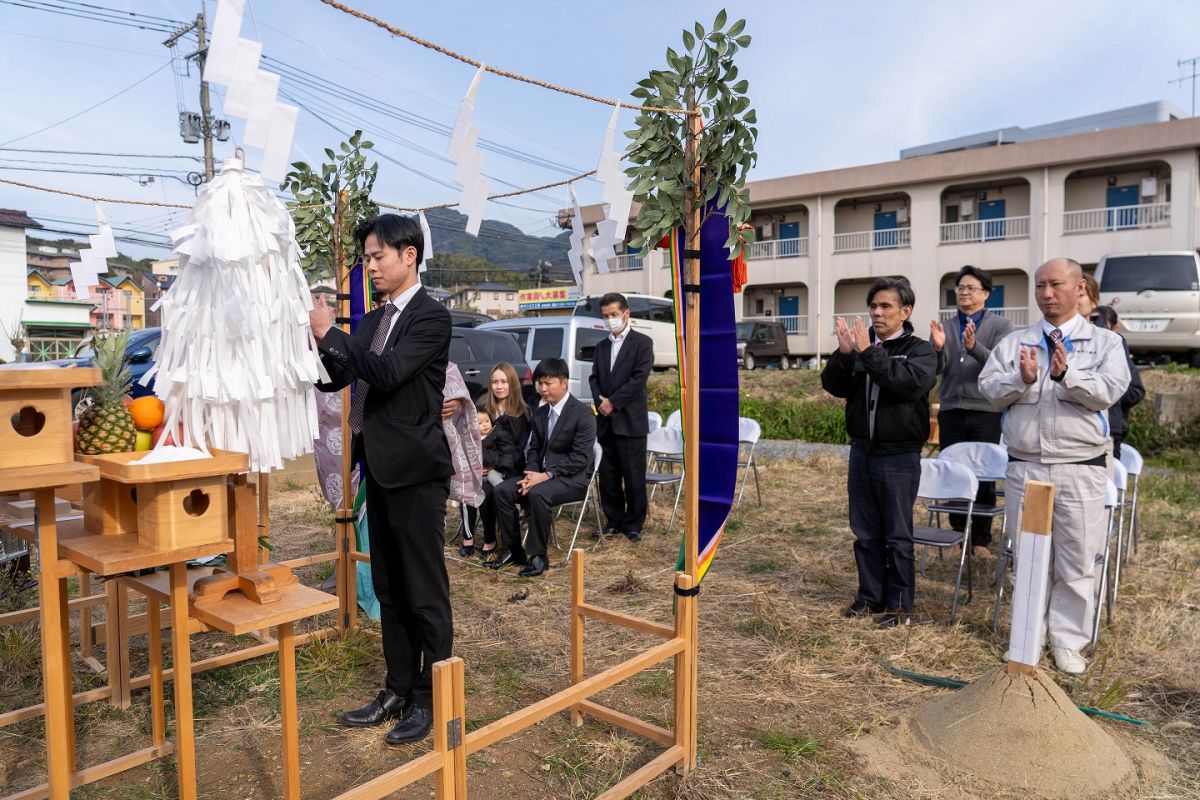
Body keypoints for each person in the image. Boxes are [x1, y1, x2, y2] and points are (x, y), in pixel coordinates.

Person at [309, 213, 453, 745]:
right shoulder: (369, 322)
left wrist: (333, 335)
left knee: (424, 591)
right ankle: (397, 687)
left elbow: (389, 373)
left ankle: (432, 698)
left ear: (409, 255)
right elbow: (343, 375)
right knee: (390, 589)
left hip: (416, 473)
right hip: (379, 469)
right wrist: (319, 344)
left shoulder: (432, 318)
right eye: (366, 258)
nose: (370, 266)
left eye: (377, 257)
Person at [979, 258, 1131, 675]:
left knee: (1077, 558)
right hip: (1026, 466)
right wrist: (1020, 380)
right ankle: (1028, 637)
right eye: (1040, 286)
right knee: (1026, 556)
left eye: (1056, 285)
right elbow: (989, 387)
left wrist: (1066, 374)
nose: (1046, 294)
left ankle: (1067, 641)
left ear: (1079, 287)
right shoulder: (1016, 341)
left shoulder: (1104, 343)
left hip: (1080, 468)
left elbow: (1109, 390)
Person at [821, 277, 937, 628]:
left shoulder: (919, 350)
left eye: (886, 306)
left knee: (897, 535)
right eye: (873, 306)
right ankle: (869, 598)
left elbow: (908, 384)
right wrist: (844, 356)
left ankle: (900, 606)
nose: (877, 312)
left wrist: (868, 353)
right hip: (862, 452)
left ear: (906, 311)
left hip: (899, 456)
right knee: (866, 531)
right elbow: (834, 386)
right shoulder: (860, 347)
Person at [929, 266, 1014, 560]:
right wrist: (938, 349)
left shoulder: (1001, 327)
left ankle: (981, 540)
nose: (964, 293)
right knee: (954, 473)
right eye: (960, 288)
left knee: (984, 474)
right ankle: (955, 535)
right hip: (951, 408)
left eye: (970, 288)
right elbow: (937, 370)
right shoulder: (947, 326)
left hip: (986, 410)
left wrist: (973, 346)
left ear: (986, 294)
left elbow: (1000, 365)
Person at [490, 357, 596, 577]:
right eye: (540, 383)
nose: (543, 388)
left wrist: (545, 475)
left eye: (549, 383)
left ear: (564, 382)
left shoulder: (583, 414)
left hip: (572, 478)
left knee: (538, 493)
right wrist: (531, 473)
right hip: (541, 475)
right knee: (502, 490)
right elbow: (534, 449)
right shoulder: (540, 411)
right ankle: (513, 550)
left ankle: (538, 556)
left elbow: (580, 458)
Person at [589, 292, 654, 542]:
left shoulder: (642, 343)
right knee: (609, 475)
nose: (610, 320)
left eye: (614, 315)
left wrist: (613, 403)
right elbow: (594, 378)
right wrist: (601, 403)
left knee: (633, 474)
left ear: (626, 313)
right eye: (606, 316)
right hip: (605, 421)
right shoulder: (602, 346)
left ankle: (634, 522)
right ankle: (613, 520)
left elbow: (638, 379)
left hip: (630, 420)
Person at [475, 362, 531, 560]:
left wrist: (495, 466)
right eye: (494, 382)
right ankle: (489, 538)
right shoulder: (485, 410)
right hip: (486, 467)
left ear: (513, 383)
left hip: (513, 468)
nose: (499, 386)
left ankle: (510, 544)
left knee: (496, 491)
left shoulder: (522, 412)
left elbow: (519, 449)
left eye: (503, 381)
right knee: (484, 491)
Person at [1091, 305, 1145, 460]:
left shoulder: (1118, 347)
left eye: (1100, 322)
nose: (1095, 326)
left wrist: (1110, 393)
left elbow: (1136, 392)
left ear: (1115, 328)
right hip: (1083, 429)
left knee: (1109, 481)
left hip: (1111, 428)